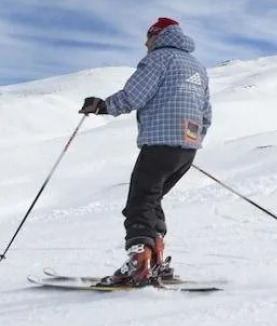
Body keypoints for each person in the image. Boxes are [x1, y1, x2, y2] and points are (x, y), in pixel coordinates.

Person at [79, 17, 212, 285]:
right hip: (186, 149)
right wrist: (188, 142)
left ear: (158, 36)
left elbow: (134, 95)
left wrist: (102, 106)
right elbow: (206, 113)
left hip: (161, 145)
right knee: (152, 200)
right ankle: (157, 261)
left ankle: (139, 265)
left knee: (139, 203)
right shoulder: (198, 67)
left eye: (148, 38)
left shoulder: (159, 59)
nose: (145, 44)